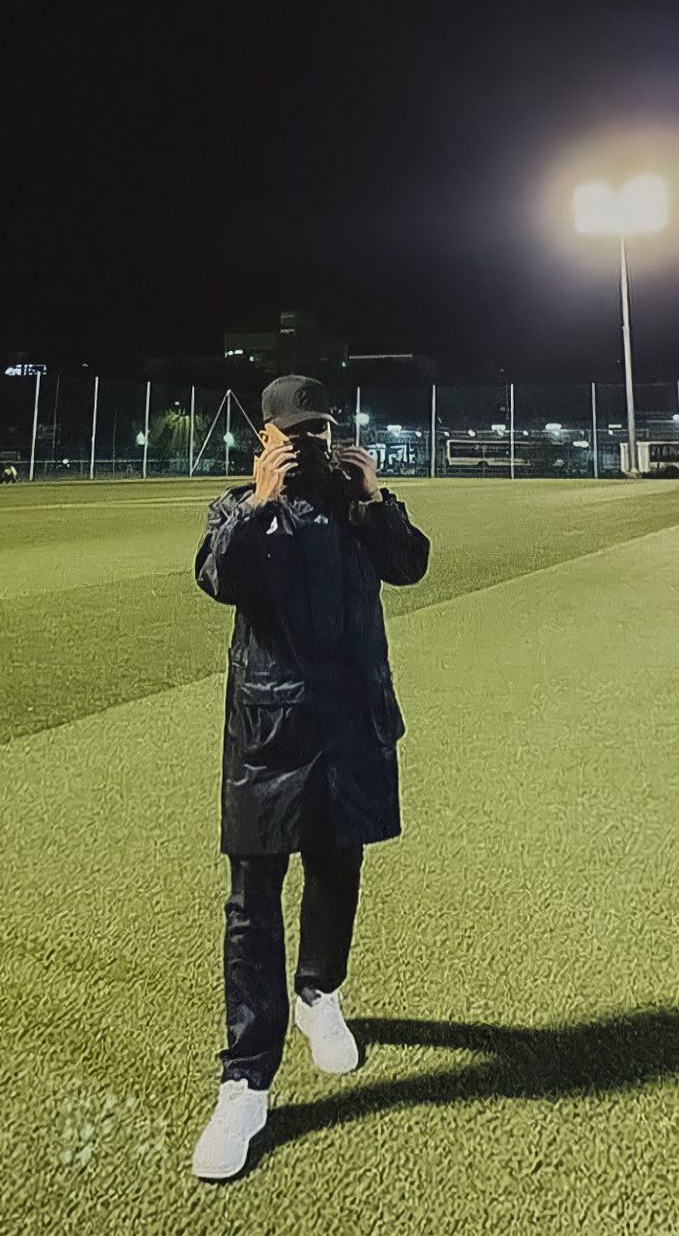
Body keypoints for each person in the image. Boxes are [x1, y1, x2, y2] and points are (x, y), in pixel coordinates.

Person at [191, 374, 430, 1181]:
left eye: (322, 428)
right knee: (252, 895)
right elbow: (218, 578)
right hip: (270, 728)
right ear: (265, 438)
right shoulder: (237, 508)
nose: (310, 442)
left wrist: (377, 497)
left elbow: (411, 567)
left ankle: (318, 995)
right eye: (294, 432)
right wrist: (259, 505)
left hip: (352, 719)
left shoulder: (358, 508)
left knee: (340, 863)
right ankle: (245, 1081)